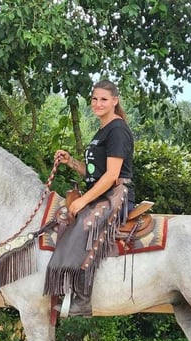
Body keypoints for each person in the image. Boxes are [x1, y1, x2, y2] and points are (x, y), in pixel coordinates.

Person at [44, 79, 135, 317]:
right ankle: (64, 287)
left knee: (84, 226)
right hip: (102, 193)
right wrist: (71, 162)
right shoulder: (103, 130)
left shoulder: (117, 130)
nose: (98, 103)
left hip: (117, 195)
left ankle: (82, 299)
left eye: (104, 99)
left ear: (115, 101)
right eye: (94, 99)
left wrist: (82, 201)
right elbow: (95, 173)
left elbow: (112, 176)